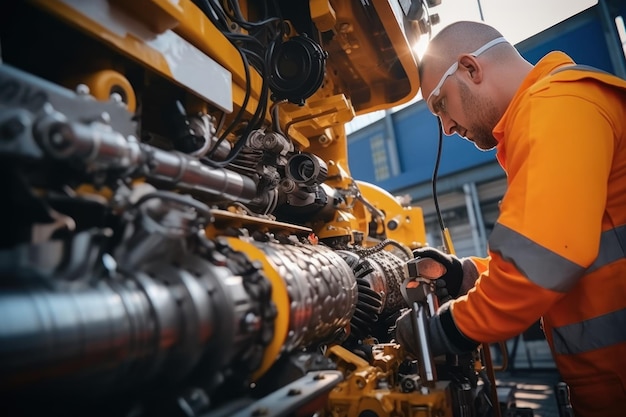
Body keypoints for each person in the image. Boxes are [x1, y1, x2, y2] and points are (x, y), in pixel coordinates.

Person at [395, 20, 626, 417]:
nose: (446, 128)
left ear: (471, 68)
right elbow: (558, 252)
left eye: (440, 104)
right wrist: (463, 275)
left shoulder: (556, 105)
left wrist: (444, 329)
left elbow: (541, 264)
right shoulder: (557, 109)